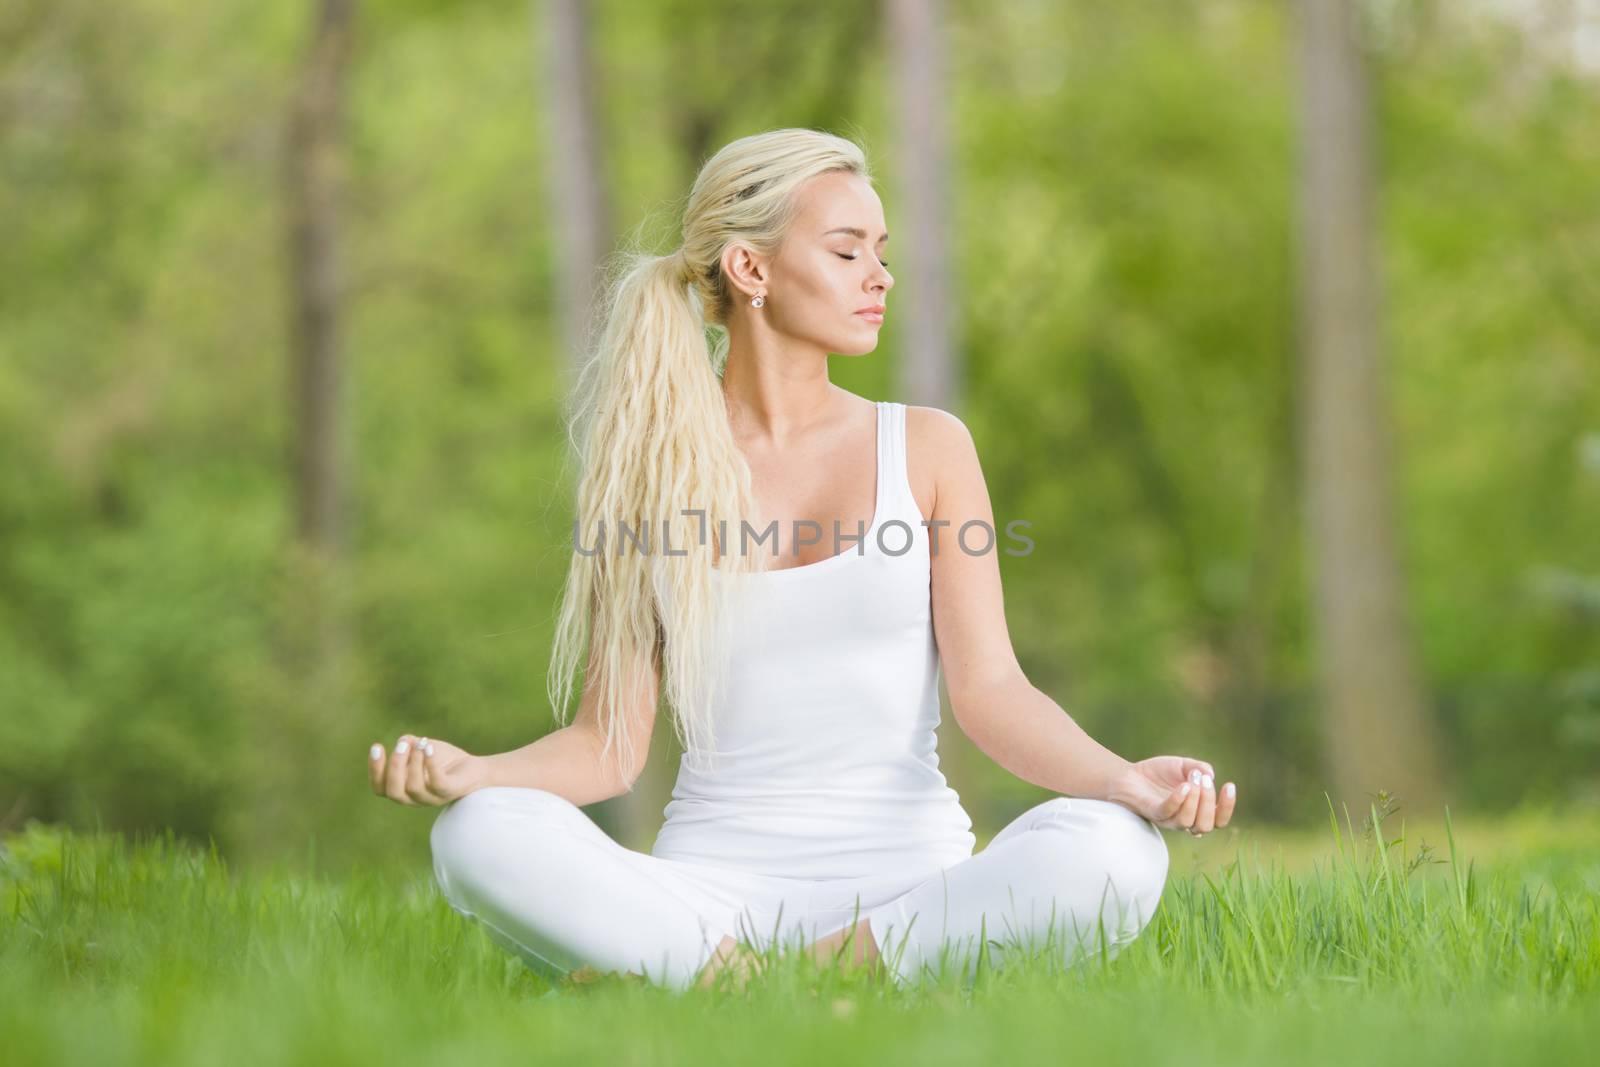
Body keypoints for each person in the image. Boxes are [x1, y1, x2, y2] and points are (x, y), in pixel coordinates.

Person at [365, 127, 1237, 993]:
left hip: (911, 889)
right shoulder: (649, 471)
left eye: (880, 251)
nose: (880, 275)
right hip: (708, 894)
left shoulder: (927, 447)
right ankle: (749, 972)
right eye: (847, 248)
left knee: (1116, 850)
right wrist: (477, 773)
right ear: (752, 270)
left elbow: (993, 692)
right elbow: (609, 743)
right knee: (474, 834)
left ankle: (745, 983)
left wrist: (1123, 779)